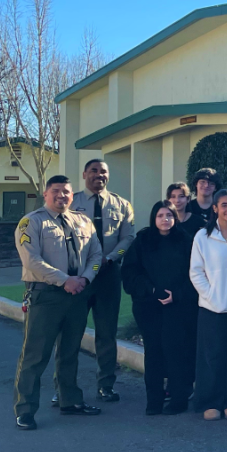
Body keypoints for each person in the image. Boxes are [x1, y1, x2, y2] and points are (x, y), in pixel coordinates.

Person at [14, 175, 103, 430]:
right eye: (56, 191)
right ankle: (25, 410)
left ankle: (70, 401)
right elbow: (32, 261)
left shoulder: (83, 221)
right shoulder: (31, 222)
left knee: (70, 352)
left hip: (77, 294)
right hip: (46, 297)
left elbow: (96, 254)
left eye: (66, 191)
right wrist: (65, 280)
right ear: (46, 194)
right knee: (35, 355)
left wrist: (85, 278)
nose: (61, 195)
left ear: (72, 196)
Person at [65, 159, 135, 404]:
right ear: (85, 174)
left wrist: (110, 258)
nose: (99, 175)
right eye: (93, 170)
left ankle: (106, 385)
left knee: (107, 333)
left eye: (103, 171)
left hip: (108, 275)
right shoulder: (71, 201)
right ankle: (63, 387)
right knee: (70, 333)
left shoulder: (122, 204)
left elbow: (128, 237)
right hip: (78, 275)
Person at [121, 201, 197, 415]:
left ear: (175, 218)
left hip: (178, 307)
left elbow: (196, 273)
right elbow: (130, 273)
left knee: (176, 352)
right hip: (149, 306)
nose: (165, 219)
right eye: (161, 215)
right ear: (154, 218)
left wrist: (177, 294)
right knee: (153, 352)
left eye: (169, 215)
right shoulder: (142, 241)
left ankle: (179, 399)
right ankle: (154, 400)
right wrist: (152, 291)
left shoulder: (186, 241)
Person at [189, 190, 227, 421]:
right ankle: (210, 402)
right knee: (211, 356)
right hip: (211, 308)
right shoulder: (202, 236)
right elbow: (196, 272)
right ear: (215, 208)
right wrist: (211, 296)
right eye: (224, 205)